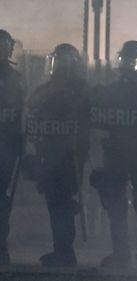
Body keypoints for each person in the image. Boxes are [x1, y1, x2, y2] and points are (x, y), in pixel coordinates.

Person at [89, 40, 137, 269]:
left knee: (135, 206)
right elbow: (97, 127)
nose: (128, 63)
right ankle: (132, 253)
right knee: (125, 206)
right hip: (127, 157)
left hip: (131, 156)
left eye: (132, 59)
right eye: (126, 58)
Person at [24, 43, 89, 267]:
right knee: (55, 204)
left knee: (62, 204)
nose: (58, 66)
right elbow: (32, 108)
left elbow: (86, 120)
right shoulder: (47, 89)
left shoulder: (81, 90)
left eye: (62, 62)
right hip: (49, 156)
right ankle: (60, 250)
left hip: (69, 158)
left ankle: (65, 252)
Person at [0, 29, 24, 266]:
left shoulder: (17, 80)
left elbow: (24, 117)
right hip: (7, 148)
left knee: (1, 200)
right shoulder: (16, 79)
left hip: (6, 149)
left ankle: (0, 247)